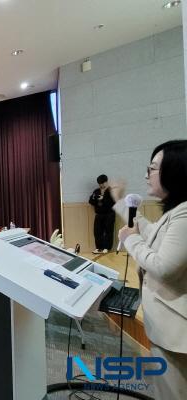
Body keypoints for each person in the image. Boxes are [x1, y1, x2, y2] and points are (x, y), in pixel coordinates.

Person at [112, 140, 187, 400]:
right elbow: (150, 230)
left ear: (175, 171)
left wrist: (130, 239)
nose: (147, 173)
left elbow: (163, 267)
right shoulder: (177, 211)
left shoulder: (185, 213)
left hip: (177, 332)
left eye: (153, 168)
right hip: (168, 328)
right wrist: (122, 202)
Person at [88, 174, 115, 254]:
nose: (101, 185)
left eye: (103, 183)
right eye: (100, 184)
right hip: (99, 214)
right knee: (97, 231)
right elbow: (91, 202)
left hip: (109, 214)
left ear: (106, 182)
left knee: (108, 231)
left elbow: (113, 203)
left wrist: (104, 199)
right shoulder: (96, 191)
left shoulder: (111, 191)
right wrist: (94, 198)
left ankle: (107, 248)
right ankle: (99, 248)